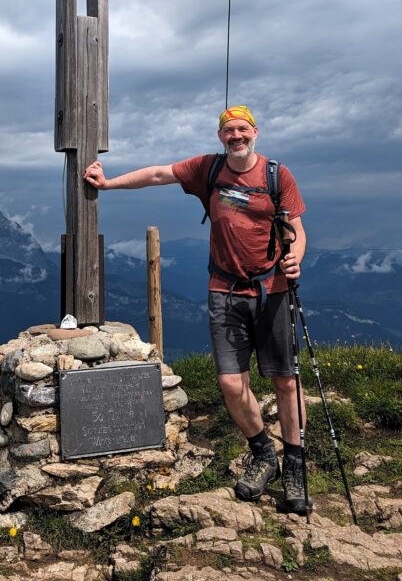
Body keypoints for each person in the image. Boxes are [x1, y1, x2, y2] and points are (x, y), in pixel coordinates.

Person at [84, 105, 311, 514]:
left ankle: (295, 463)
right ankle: (264, 454)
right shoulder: (208, 169)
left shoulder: (277, 175)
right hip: (224, 290)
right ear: (220, 136)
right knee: (229, 383)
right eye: (228, 131)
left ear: (255, 132)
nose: (236, 137)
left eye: (242, 129)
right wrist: (108, 183)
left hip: (272, 289)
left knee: (286, 382)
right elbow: (158, 174)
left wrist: (295, 257)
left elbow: (296, 228)